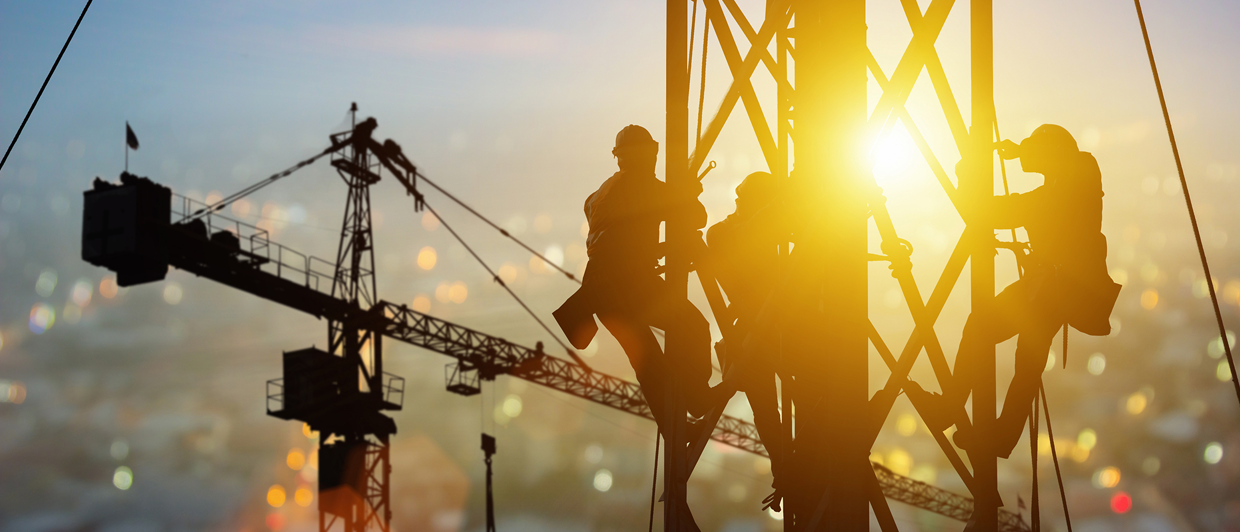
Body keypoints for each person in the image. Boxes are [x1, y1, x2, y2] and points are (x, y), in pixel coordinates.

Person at [910, 124, 1121, 458]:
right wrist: (1021, 152)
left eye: (1037, 150)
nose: (1028, 155)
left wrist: (970, 169)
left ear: (1051, 155)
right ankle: (997, 433)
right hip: (1057, 290)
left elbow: (984, 212)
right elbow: (1061, 166)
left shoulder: (1061, 191)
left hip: (1051, 290)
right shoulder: (1070, 188)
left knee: (982, 329)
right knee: (1026, 361)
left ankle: (952, 410)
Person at [554, 124, 716, 430]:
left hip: (602, 292)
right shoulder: (649, 187)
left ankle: (674, 428)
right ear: (651, 153)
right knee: (694, 326)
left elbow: (618, 233)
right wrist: (686, 195)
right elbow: (697, 218)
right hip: (631, 285)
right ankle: (696, 398)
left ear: (618, 158)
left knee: (647, 363)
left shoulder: (598, 195)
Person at [705, 171, 787, 509]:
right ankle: (786, 468)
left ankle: (787, 467)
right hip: (762, 327)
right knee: (767, 409)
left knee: (769, 408)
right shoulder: (728, 233)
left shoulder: (741, 230)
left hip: (769, 326)